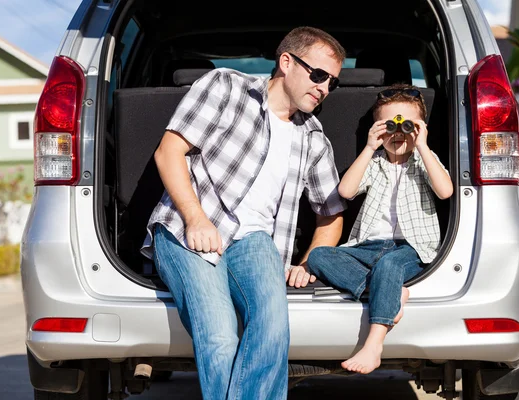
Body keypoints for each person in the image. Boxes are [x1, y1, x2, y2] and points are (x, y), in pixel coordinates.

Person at [140, 26, 347, 400]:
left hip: (256, 243)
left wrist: (310, 261)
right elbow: (168, 152)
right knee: (219, 334)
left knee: (272, 330)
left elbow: (330, 213)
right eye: (318, 75)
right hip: (190, 231)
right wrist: (195, 217)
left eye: (332, 81)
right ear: (286, 62)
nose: (324, 88)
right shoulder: (226, 87)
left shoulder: (314, 137)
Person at [307, 83, 454, 375]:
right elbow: (346, 191)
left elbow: (446, 190)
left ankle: (375, 342)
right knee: (318, 256)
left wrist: (422, 145)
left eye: (406, 126)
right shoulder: (374, 163)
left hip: (409, 248)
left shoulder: (423, 161)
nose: (397, 133)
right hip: (367, 247)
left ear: (419, 129)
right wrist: (369, 146)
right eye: (389, 126)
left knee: (389, 265)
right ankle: (388, 293)